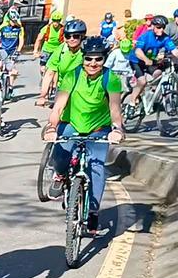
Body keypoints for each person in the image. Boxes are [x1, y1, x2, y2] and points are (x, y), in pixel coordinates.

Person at [44, 36, 124, 235]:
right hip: (72, 123)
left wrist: (117, 129)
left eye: (98, 59)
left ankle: (94, 212)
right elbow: (59, 105)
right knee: (61, 155)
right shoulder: (72, 75)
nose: (93, 63)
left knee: (96, 167)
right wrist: (51, 127)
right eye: (89, 59)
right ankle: (61, 175)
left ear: (104, 59)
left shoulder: (110, 78)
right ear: (83, 58)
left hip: (99, 128)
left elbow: (115, 108)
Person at [126, 15, 178, 108]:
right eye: (158, 27)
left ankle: (151, 93)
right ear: (153, 26)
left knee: (159, 73)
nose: (161, 30)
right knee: (142, 81)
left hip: (150, 61)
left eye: (163, 27)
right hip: (136, 61)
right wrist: (146, 60)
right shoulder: (145, 36)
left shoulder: (165, 38)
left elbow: (175, 51)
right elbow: (138, 51)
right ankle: (132, 102)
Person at [37, 19, 86, 106]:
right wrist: (43, 96)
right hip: (63, 89)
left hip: (83, 91)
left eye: (76, 36)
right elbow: (49, 73)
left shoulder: (86, 51)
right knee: (55, 117)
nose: (71, 39)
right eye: (68, 36)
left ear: (82, 36)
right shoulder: (61, 50)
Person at [33, 10, 65, 78]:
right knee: (43, 67)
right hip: (46, 50)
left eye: (58, 20)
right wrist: (35, 50)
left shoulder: (63, 29)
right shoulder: (47, 28)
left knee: (56, 68)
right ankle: (43, 77)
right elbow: (39, 39)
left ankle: (54, 84)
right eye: (54, 20)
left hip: (57, 51)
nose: (56, 23)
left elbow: (66, 41)